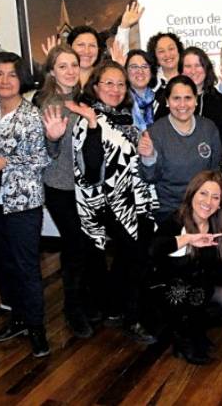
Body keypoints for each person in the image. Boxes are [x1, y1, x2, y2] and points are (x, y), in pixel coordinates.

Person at [0, 53, 51, 357]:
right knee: (2, 265)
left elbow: (42, 158)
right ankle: (16, 318)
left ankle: (37, 328)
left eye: (11, 75)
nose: (4, 81)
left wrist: (7, 161)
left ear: (21, 79)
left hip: (23, 204)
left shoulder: (31, 114)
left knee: (26, 267)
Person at [71, 61, 159, 344]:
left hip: (134, 200)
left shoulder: (125, 118)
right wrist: (94, 126)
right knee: (136, 258)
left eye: (121, 83)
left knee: (130, 258)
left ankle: (117, 308)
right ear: (95, 87)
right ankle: (133, 320)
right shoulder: (89, 119)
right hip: (105, 204)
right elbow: (91, 170)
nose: (115, 88)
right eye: (108, 83)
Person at [151, 171, 222, 364]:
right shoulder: (176, 220)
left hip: (194, 291)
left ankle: (193, 330)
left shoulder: (216, 226)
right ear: (192, 194)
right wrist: (188, 239)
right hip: (165, 293)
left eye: (216, 197)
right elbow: (153, 249)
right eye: (203, 194)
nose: (209, 201)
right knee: (194, 289)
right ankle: (183, 337)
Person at [34, 46, 99, 339]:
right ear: (51, 72)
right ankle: (73, 310)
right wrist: (53, 138)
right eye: (63, 66)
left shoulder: (84, 100)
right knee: (75, 247)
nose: (70, 71)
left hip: (87, 187)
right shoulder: (49, 104)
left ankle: (87, 301)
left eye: (74, 65)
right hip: (61, 187)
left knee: (87, 247)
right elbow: (44, 152)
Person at [139, 75, 222, 224]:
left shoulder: (208, 128)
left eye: (188, 98)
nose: (182, 104)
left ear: (196, 100)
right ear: (167, 101)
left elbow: (216, 172)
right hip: (171, 210)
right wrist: (148, 156)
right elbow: (150, 178)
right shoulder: (156, 132)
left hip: (206, 207)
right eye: (176, 98)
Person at [161, 46, 222, 151]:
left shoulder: (219, 101)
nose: (193, 71)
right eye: (188, 66)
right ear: (181, 70)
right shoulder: (170, 98)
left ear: (206, 68)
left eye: (198, 65)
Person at [147, 32, 184, 107]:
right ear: (155, 57)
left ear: (179, 51)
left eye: (171, 49)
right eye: (161, 51)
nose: (167, 54)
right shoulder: (149, 83)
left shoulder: (191, 78)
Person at [125, 49, 157, 132]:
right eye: (134, 67)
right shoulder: (119, 102)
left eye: (144, 67)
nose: (140, 71)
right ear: (125, 71)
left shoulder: (160, 101)